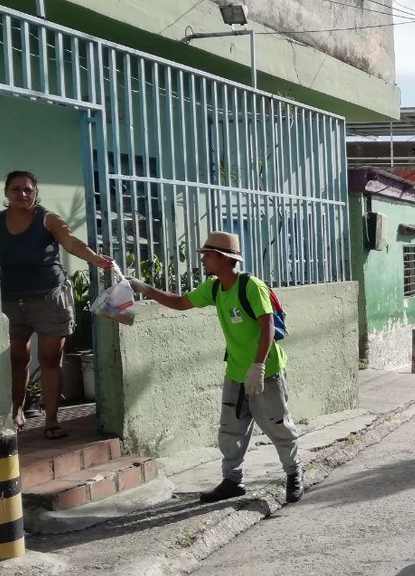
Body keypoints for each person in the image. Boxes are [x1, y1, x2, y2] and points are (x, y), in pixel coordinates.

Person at [127, 231, 303, 504]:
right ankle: (233, 480)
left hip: (265, 371)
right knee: (231, 429)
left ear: (224, 258)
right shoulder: (214, 288)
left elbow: (267, 326)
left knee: (277, 425)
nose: (203, 261)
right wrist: (144, 289)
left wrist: (258, 366)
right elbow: (181, 302)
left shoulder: (250, 287)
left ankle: (294, 474)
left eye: (208, 256)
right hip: (235, 372)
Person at [0, 170, 113, 437]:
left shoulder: (47, 218)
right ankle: (16, 411)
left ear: (36, 193)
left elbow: (70, 240)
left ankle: (51, 421)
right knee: (17, 359)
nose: (23, 194)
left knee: (50, 360)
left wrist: (94, 258)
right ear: (7, 193)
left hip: (50, 299)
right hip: (12, 301)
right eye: (16, 189)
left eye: (28, 189)